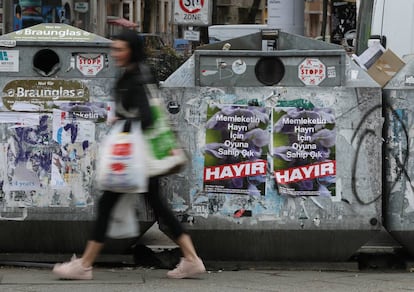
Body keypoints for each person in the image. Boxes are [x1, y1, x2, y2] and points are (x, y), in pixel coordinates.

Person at [52, 29, 205, 280]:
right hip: (143, 158)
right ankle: (191, 258)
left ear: (132, 50)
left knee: (108, 205)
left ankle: (84, 265)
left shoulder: (134, 79)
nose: (116, 54)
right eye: (114, 48)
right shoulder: (140, 73)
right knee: (157, 206)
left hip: (134, 158)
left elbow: (145, 117)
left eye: (120, 49)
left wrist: (122, 118)